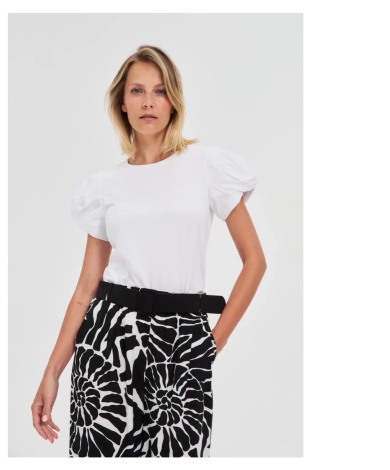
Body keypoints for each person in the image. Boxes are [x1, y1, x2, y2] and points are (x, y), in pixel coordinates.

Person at [31, 45, 267, 458]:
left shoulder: (207, 166)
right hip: (108, 340)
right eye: (137, 91)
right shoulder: (105, 186)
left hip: (182, 340)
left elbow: (255, 262)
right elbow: (86, 289)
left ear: (173, 101)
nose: (148, 102)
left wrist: (212, 344)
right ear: (122, 103)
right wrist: (52, 372)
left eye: (159, 91)